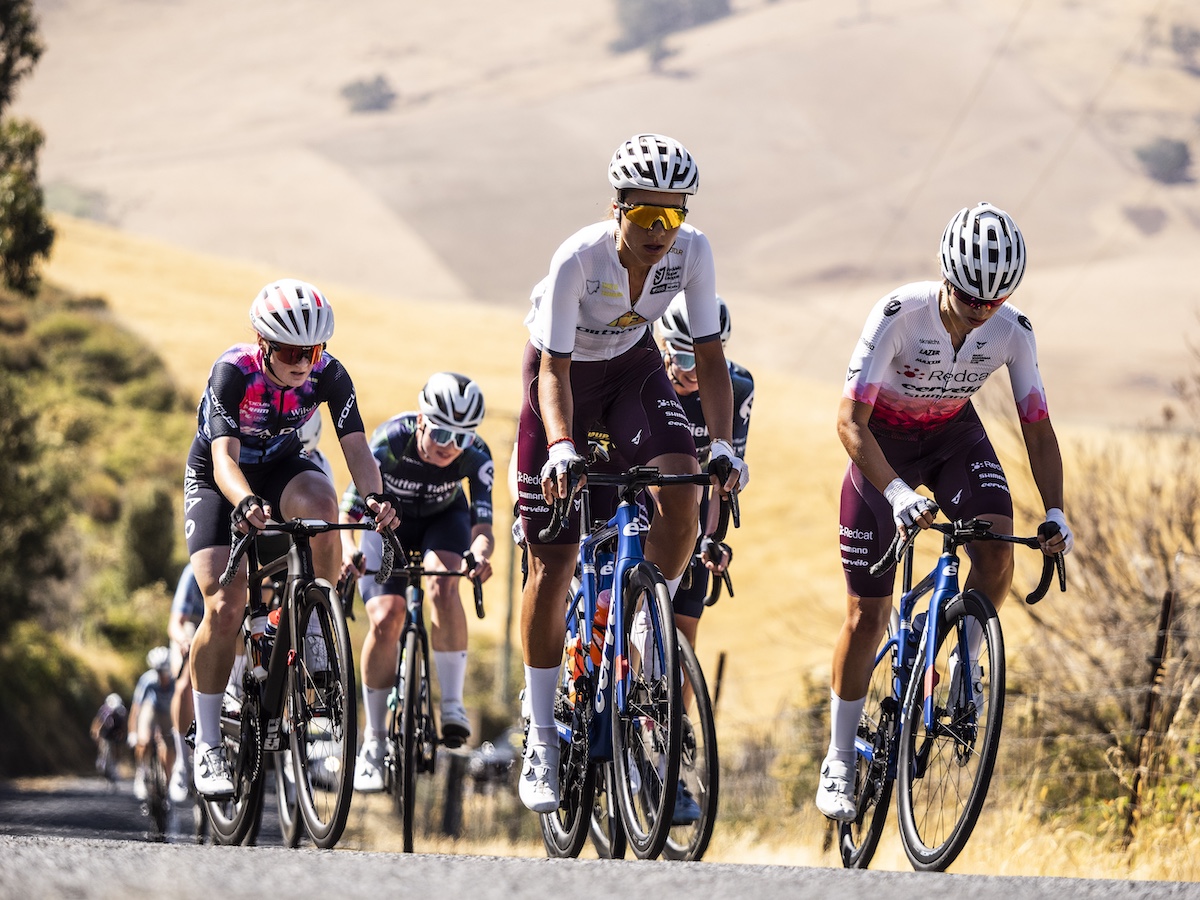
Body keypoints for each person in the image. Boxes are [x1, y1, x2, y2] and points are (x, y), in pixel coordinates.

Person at [815, 202, 1074, 821]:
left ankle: (965, 654)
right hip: (885, 446)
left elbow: (1037, 429)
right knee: (867, 613)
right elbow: (850, 421)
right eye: (968, 295)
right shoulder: (899, 314)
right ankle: (841, 755)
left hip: (955, 439)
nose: (981, 309)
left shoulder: (1014, 331)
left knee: (997, 544)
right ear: (945, 274)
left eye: (995, 298)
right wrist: (899, 494)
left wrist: (1058, 512)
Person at [515, 133, 748, 814]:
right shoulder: (576, 262)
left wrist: (726, 446)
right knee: (553, 560)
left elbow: (708, 360)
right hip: (561, 379)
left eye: (670, 216)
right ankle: (543, 743)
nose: (657, 231)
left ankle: (649, 613)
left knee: (681, 481)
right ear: (616, 209)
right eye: (644, 215)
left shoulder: (693, 253)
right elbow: (552, 372)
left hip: (632, 371)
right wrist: (560, 445)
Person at [183, 278, 399, 797]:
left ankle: (316, 628)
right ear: (264, 344)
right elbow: (222, 460)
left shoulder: (329, 374)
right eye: (290, 351)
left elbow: (356, 449)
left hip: (281, 467)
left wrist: (375, 499)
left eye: (313, 349)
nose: (303, 362)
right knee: (225, 604)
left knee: (325, 508)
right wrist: (244, 502)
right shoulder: (233, 373)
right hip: (222, 480)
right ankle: (209, 743)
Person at [340, 372, 495, 792]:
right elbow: (351, 511)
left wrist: (479, 553)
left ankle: (452, 704)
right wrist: (347, 549)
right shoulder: (390, 440)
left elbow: (483, 526)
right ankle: (372, 741)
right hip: (386, 521)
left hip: (443, 521)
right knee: (386, 618)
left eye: (461, 437)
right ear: (422, 420)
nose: (450, 445)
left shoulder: (476, 455)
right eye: (441, 431)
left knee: (444, 586)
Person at [166, 563, 206, 803]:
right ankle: (182, 761)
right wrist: (184, 641)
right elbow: (175, 623)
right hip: (191, 628)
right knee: (184, 683)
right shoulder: (193, 573)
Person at [129, 647, 175, 802]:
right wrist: (133, 732)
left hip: (168, 711)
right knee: (144, 740)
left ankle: (168, 781)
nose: (161, 675)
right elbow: (136, 709)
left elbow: (182, 708)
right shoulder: (147, 680)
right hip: (152, 708)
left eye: (163, 671)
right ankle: (141, 772)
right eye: (157, 671)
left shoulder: (175, 681)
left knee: (170, 744)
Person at [90, 692, 128, 786]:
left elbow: (123, 724)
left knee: (116, 749)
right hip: (105, 733)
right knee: (103, 749)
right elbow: (98, 722)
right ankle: (101, 763)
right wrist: (96, 733)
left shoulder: (121, 711)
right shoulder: (104, 710)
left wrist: (122, 733)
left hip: (115, 733)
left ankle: (114, 767)